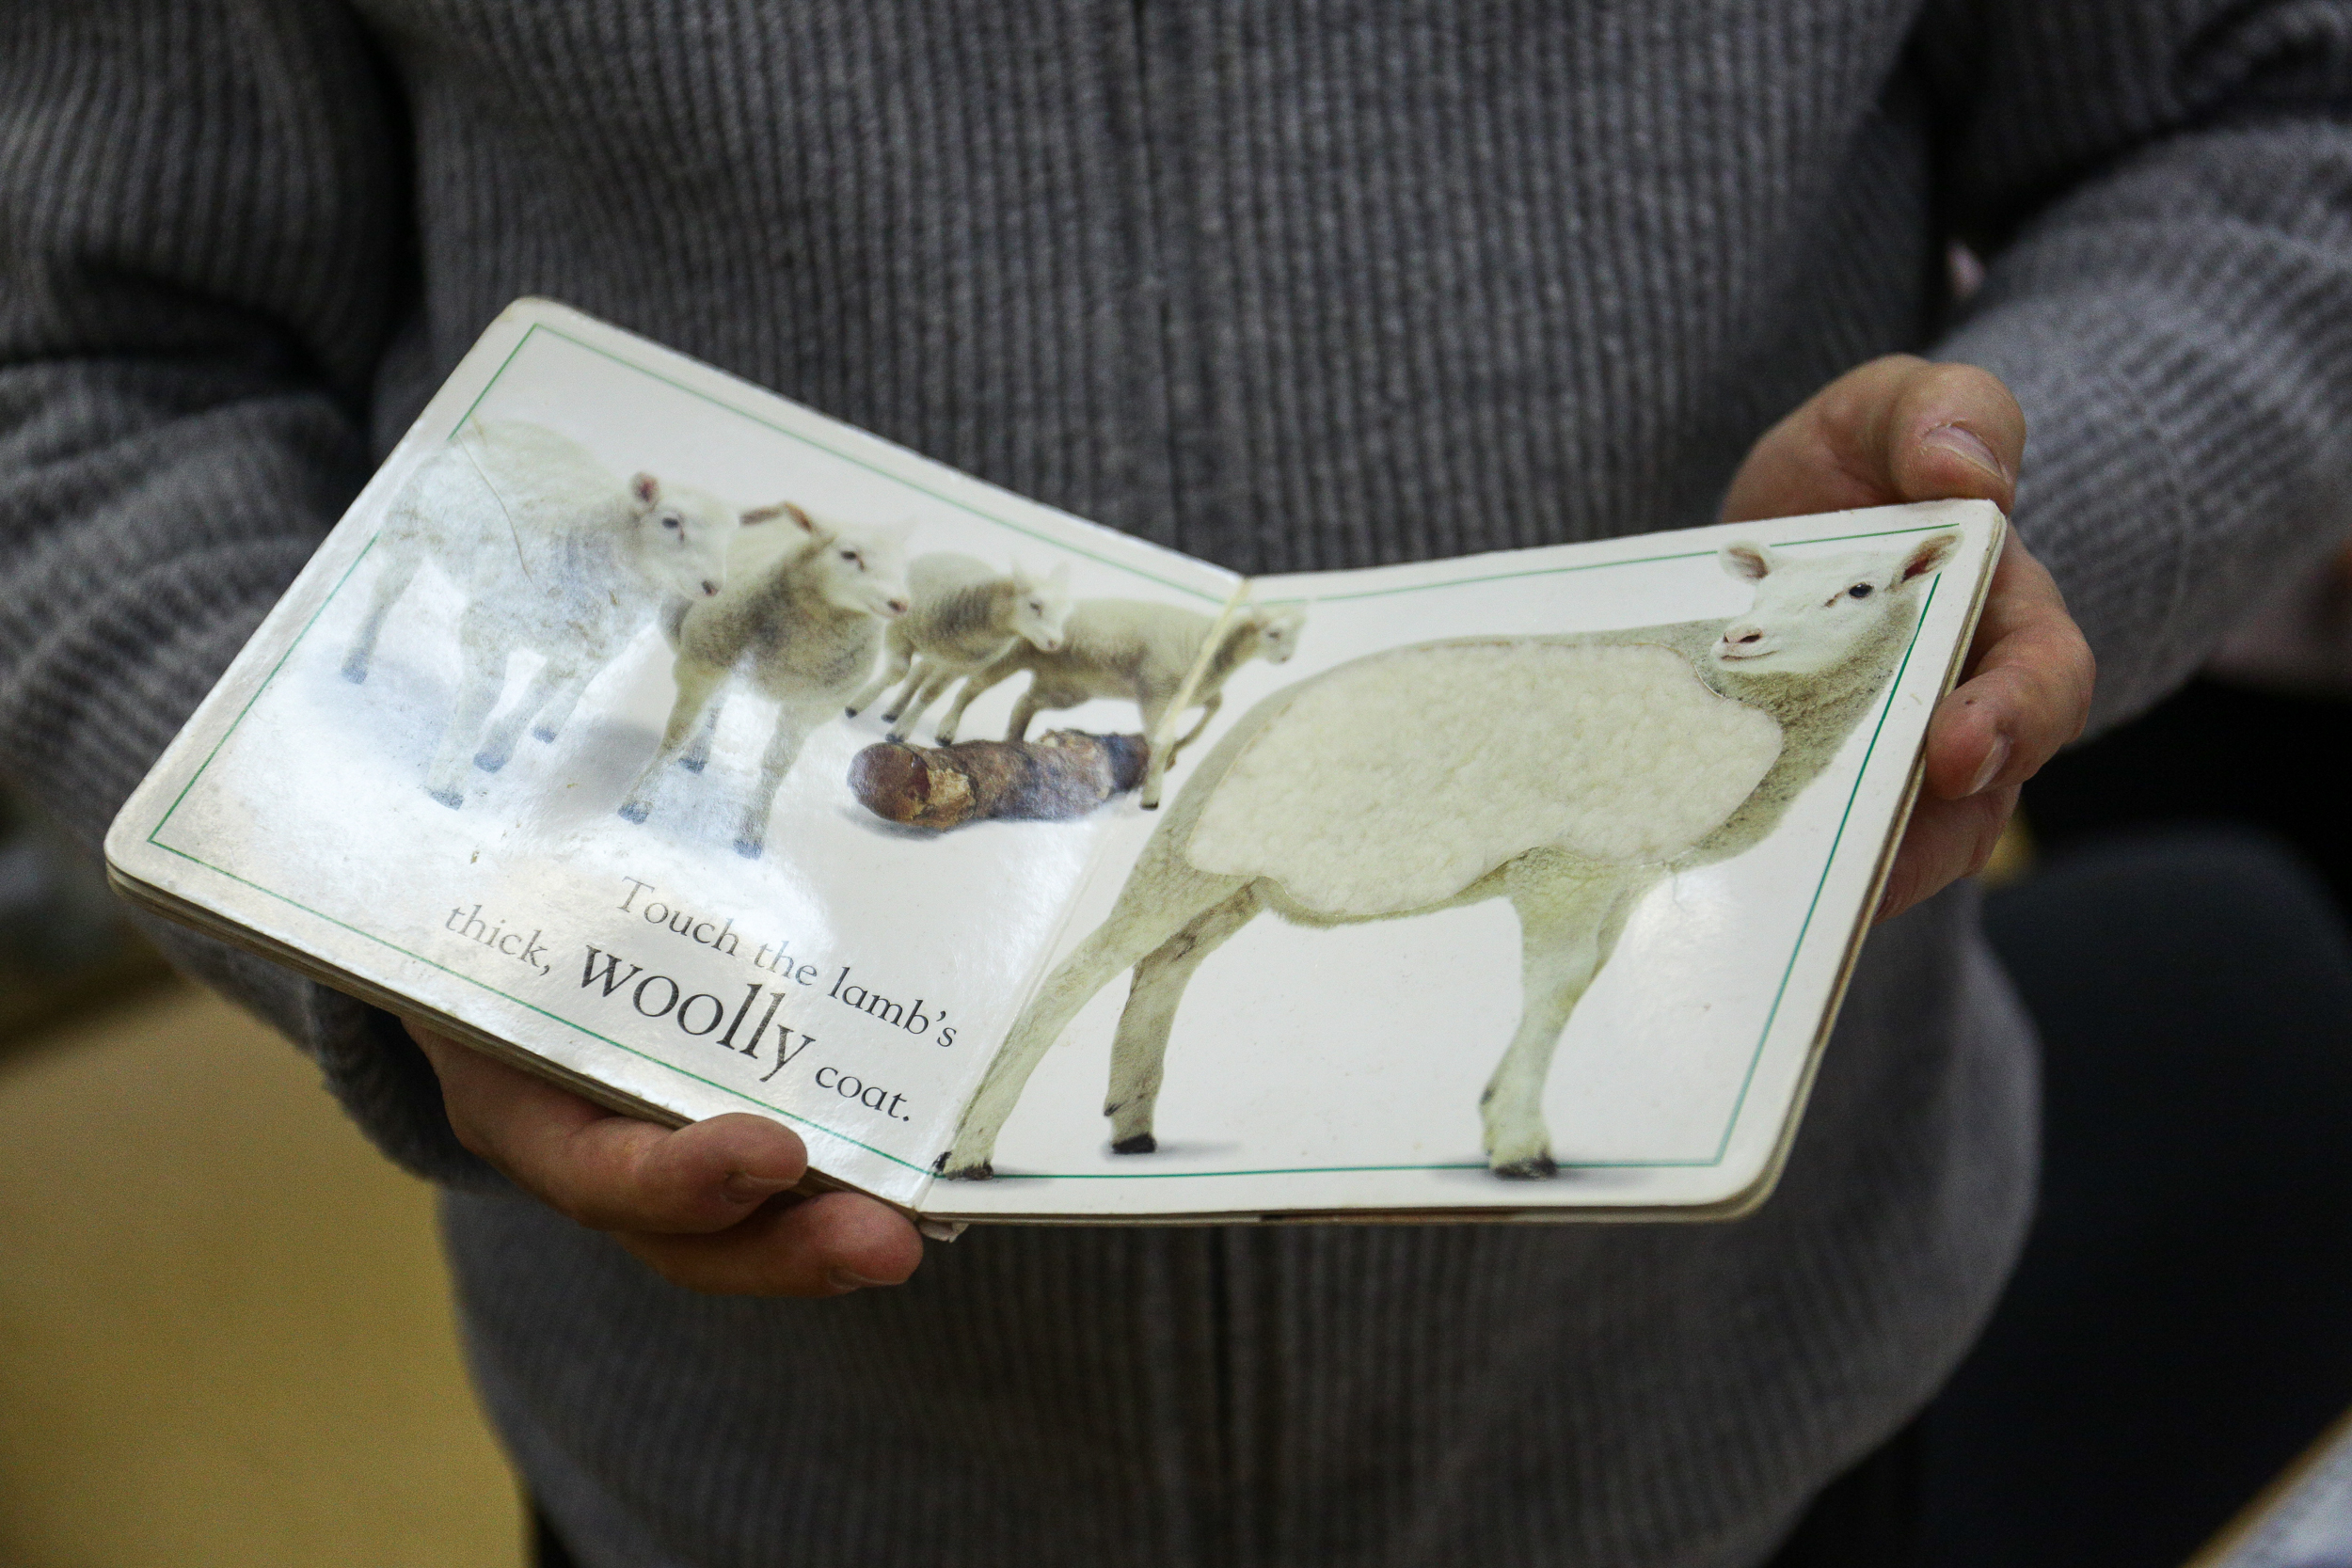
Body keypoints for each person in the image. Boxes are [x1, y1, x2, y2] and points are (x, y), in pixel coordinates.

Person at [1, 5, 2344, 1564]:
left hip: (1729, 1404)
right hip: (747, 1460)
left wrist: (1979, 550)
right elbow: (77, 366)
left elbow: (2270, 126)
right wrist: (392, 900)